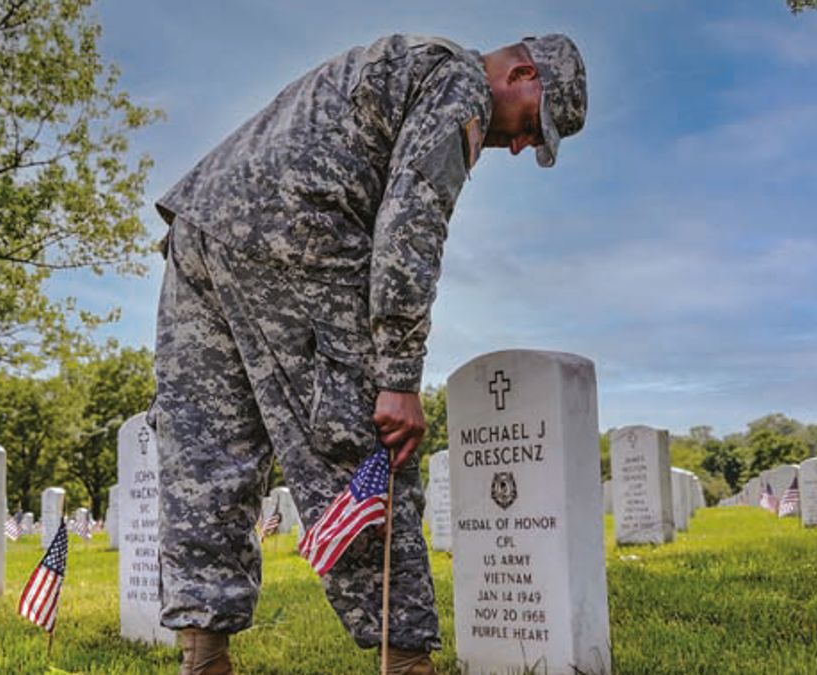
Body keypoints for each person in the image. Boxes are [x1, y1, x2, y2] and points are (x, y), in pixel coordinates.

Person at [149, 33, 587, 675]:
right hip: (296, 237)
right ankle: (406, 662)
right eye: (532, 124)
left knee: (206, 455)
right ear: (521, 73)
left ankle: (203, 657)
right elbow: (412, 225)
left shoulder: (403, 60)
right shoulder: (458, 83)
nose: (521, 145)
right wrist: (399, 378)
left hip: (201, 228)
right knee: (365, 443)